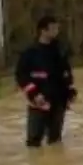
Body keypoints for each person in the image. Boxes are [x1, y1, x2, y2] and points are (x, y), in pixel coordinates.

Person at [14, 15, 78, 148]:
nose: (57, 31)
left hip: (59, 101)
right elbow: (21, 76)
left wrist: (71, 91)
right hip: (39, 101)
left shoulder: (60, 50)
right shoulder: (30, 53)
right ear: (43, 31)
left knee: (55, 141)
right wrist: (34, 94)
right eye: (53, 28)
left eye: (57, 28)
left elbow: (66, 73)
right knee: (33, 143)